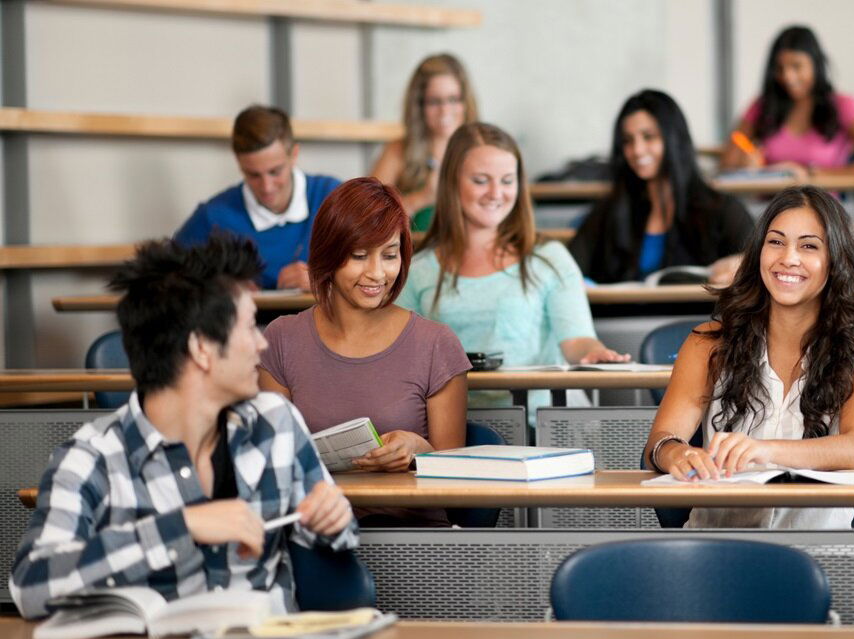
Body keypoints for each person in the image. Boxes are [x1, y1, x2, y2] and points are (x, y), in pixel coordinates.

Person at [9, 236, 356, 619]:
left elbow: (336, 539)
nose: (262, 344)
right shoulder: (91, 457)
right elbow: (32, 585)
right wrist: (180, 528)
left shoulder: (275, 423)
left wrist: (332, 519)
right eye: (249, 328)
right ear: (201, 348)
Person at [642, 186, 854, 529]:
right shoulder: (708, 342)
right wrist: (675, 452)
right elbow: (659, 442)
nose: (788, 258)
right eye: (775, 242)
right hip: (715, 546)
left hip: (821, 549)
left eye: (809, 246)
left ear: (835, 260)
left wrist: (764, 450)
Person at [259, 177, 472, 527]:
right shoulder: (282, 339)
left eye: (390, 255)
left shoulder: (436, 343)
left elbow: (458, 479)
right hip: (315, 533)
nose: (377, 273)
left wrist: (418, 449)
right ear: (328, 254)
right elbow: (271, 465)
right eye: (359, 256)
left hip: (412, 537)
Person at [399, 122, 630, 415]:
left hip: (539, 423)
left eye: (507, 181)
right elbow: (400, 357)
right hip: (453, 428)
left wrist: (594, 353)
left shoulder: (549, 258)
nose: (496, 193)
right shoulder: (419, 270)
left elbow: (577, 340)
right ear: (451, 182)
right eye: (481, 180)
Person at [568, 90, 755, 285]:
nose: (637, 150)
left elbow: (756, 264)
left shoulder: (722, 210)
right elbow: (569, 269)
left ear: (674, 139)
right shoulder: (608, 211)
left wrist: (738, 265)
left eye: (648, 137)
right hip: (624, 307)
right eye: (628, 141)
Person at [175, 105, 340, 290]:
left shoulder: (334, 198)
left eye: (275, 172)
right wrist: (218, 288)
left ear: (294, 155)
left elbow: (367, 272)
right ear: (239, 163)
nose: (267, 187)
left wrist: (326, 281)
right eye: (253, 175)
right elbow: (165, 280)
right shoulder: (213, 216)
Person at [719, 25, 854, 180]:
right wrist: (747, 167)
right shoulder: (762, 106)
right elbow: (726, 166)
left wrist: (809, 174)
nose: (787, 77)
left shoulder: (844, 105)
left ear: (815, 65)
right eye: (780, 68)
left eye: (797, 66)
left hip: (821, 201)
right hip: (772, 201)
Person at [370, 54, 479, 232]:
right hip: (415, 249)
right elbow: (367, 221)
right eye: (434, 101)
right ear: (419, 106)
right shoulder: (398, 151)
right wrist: (421, 198)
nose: (445, 111)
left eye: (453, 99)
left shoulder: (481, 150)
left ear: (466, 102)